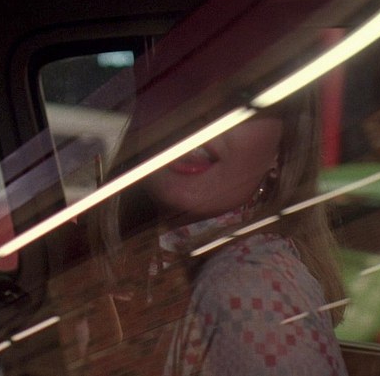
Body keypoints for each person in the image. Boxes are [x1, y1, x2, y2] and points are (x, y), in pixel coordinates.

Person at [85, 87, 348, 375]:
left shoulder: (248, 293)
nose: (200, 112)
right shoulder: (158, 267)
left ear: (282, 152)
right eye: (180, 82)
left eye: (241, 96)